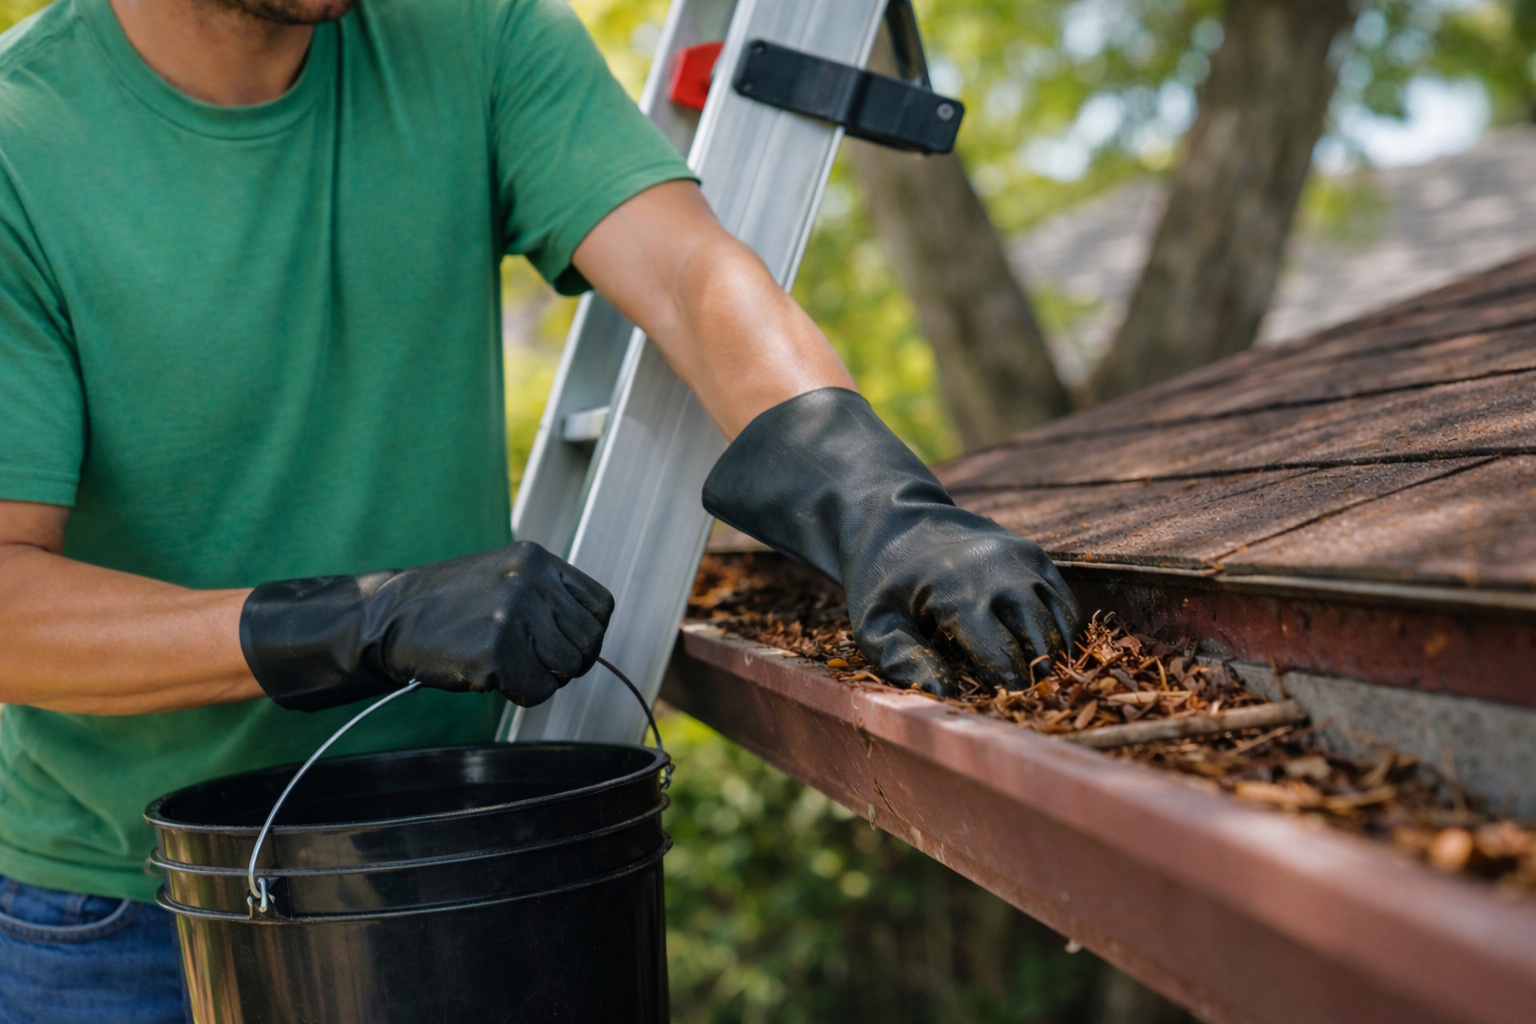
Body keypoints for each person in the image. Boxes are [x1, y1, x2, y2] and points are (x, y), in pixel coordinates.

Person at [0, 0, 1081, 1017]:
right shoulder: (24, 143)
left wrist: (879, 501)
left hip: (446, 867)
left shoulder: (471, 26)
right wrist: (357, 618)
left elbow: (688, 273)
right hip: (115, 918)